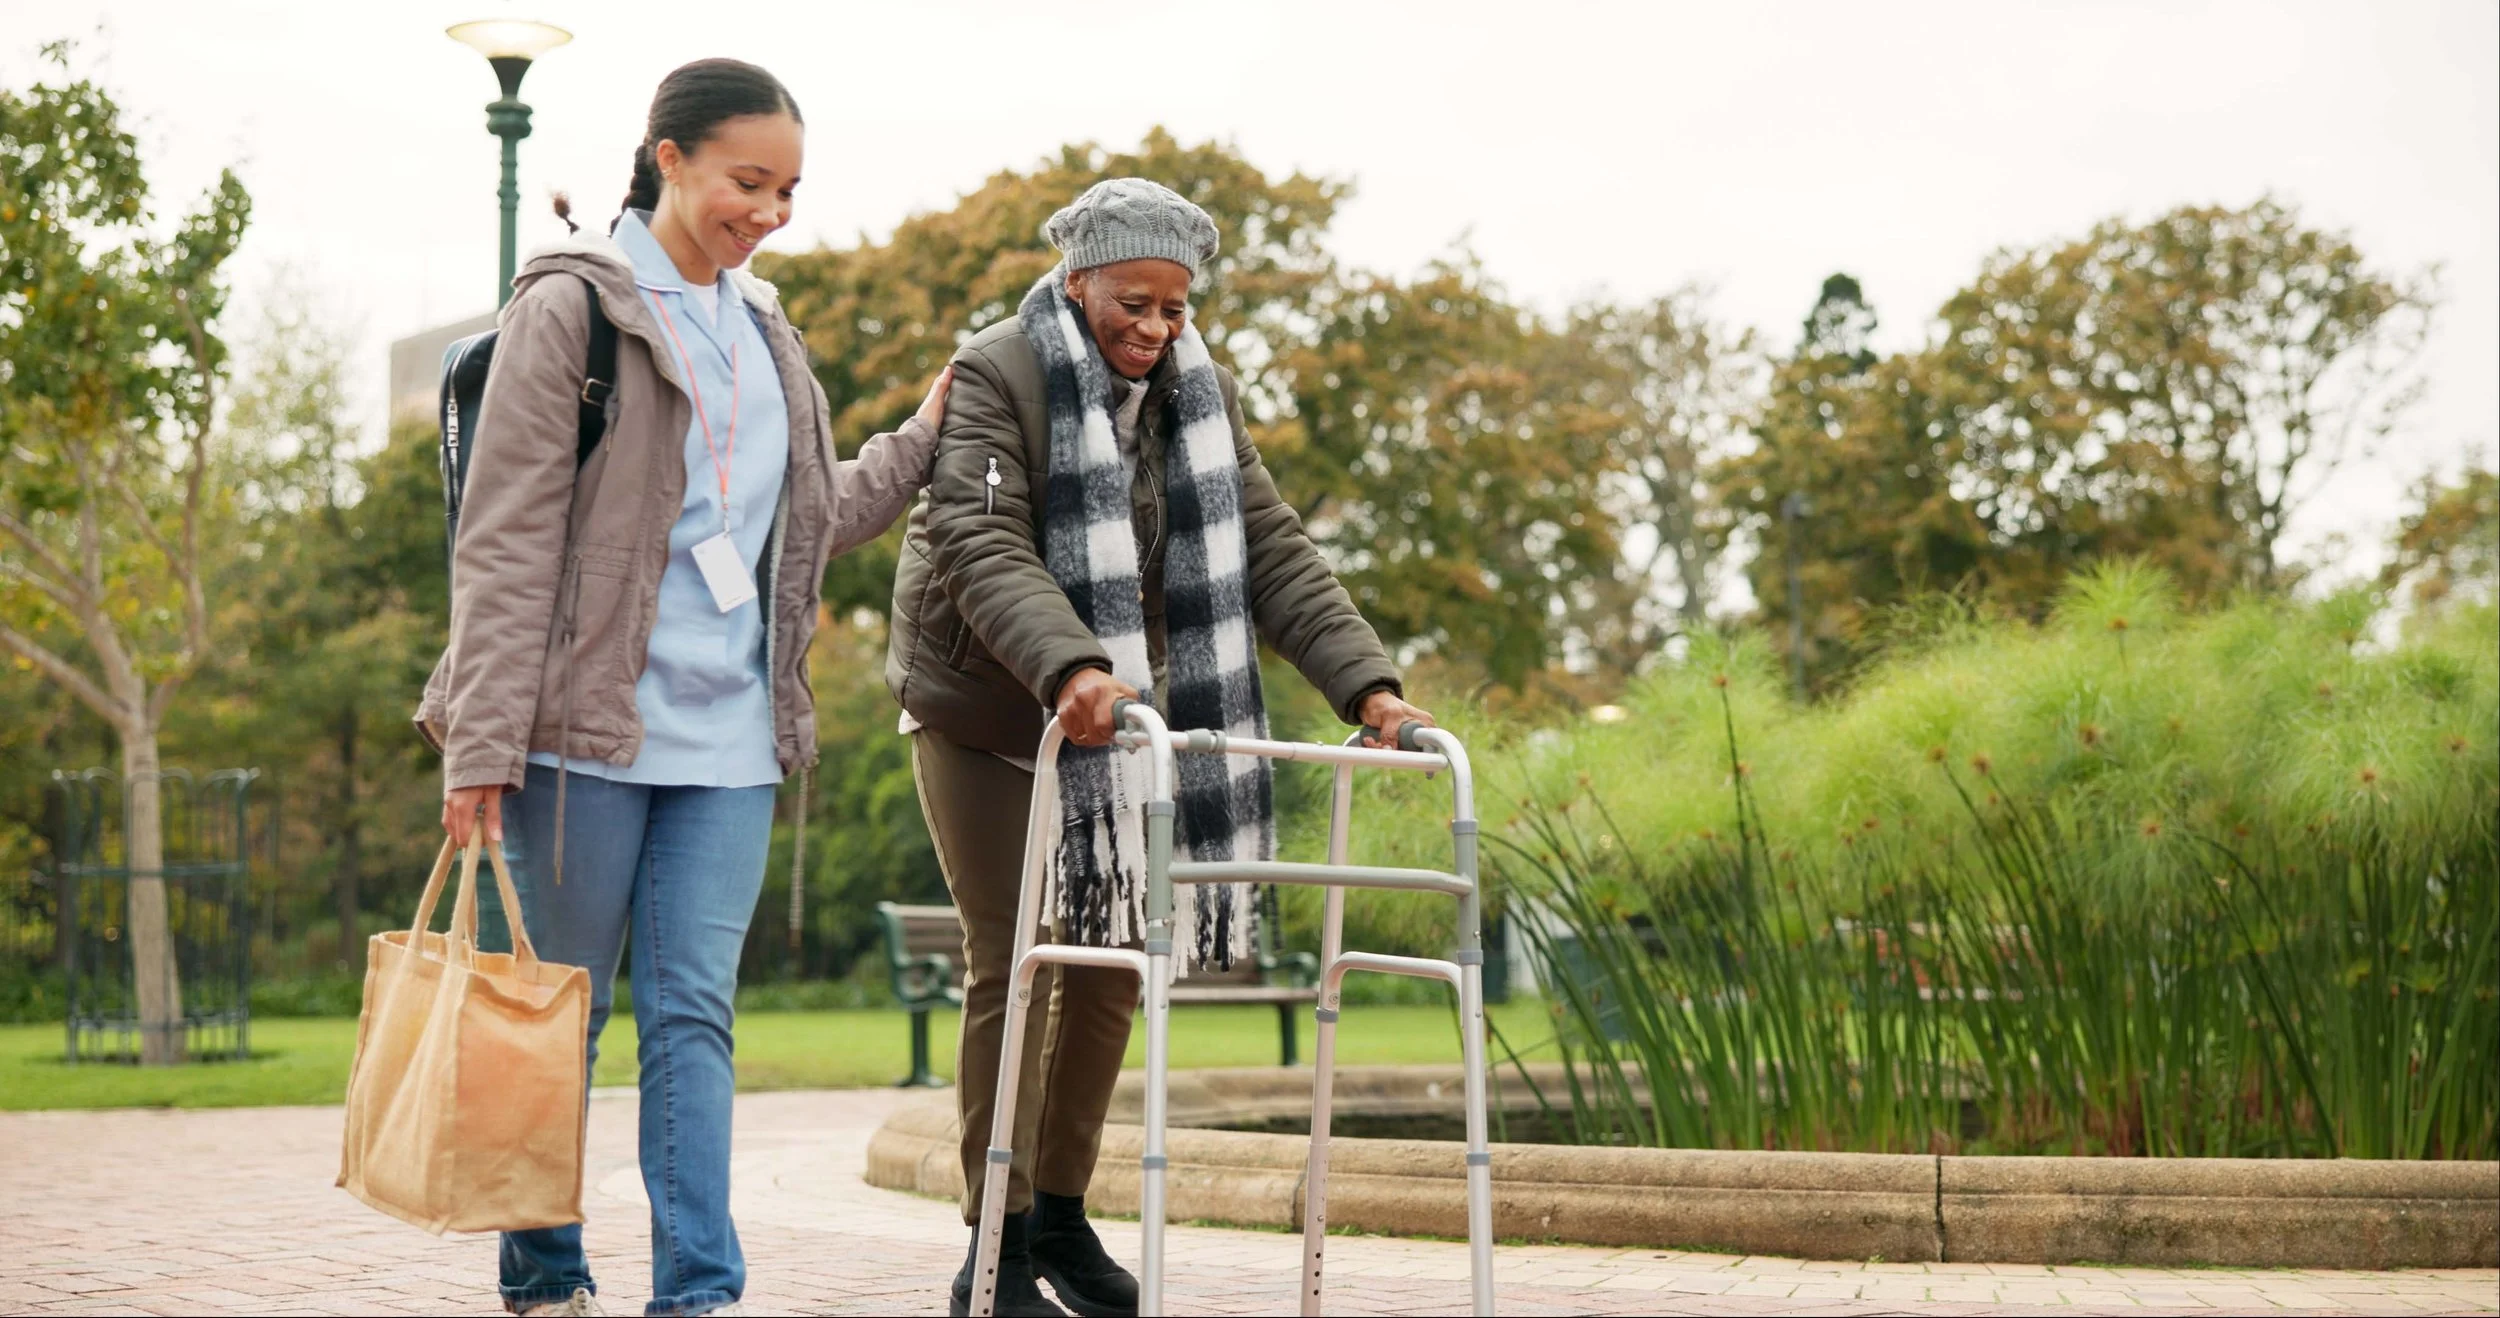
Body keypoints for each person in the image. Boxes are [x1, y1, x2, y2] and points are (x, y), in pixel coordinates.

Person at [416, 58, 947, 1318]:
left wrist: (924, 436)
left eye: (788, 190)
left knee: (695, 1021)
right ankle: (545, 1274)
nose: (768, 213)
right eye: (745, 182)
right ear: (667, 159)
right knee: (559, 1019)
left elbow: (815, 515)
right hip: (577, 734)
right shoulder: (571, 310)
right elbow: (504, 538)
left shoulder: (767, 331)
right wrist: (479, 747)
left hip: (729, 739)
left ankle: (700, 1291)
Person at [886, 177, 1435, 1318]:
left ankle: (1059, 1215)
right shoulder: (1001, 372)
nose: (1154, 328)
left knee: (1108, 967)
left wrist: (1371, 688)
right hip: (988, 713)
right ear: (1078, 279)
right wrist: (1071, 664)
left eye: (1176, 309)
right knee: (1020, 954)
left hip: (1115, 719)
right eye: (1133, 301)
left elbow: (1269, 551)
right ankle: (989, 1247)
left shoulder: (1198, 393)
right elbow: (982, 543)